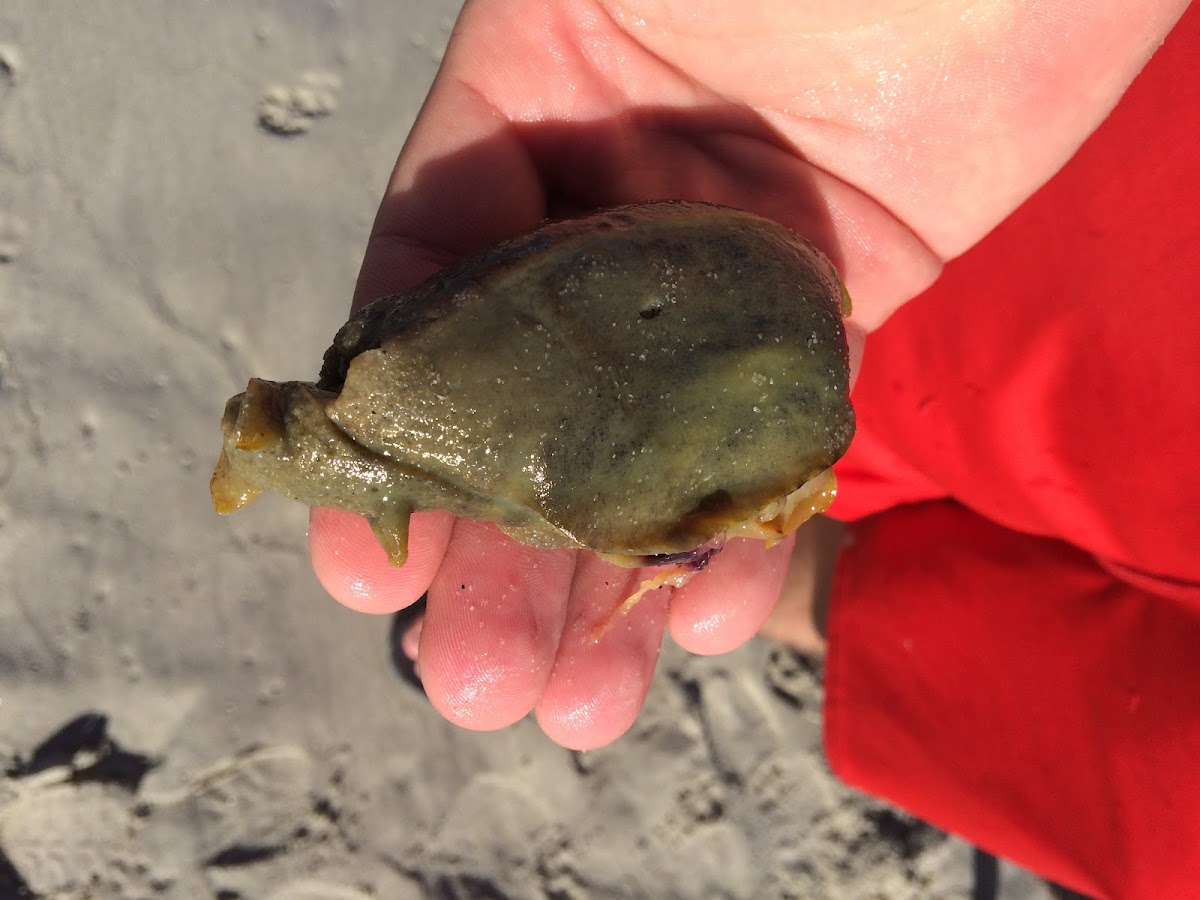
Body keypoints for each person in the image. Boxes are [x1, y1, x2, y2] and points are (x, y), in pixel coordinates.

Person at [306, 2, 1199, 895]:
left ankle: (768, 563)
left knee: (782, 517)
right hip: (890, 249)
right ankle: (764, 563)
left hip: (900, 320)